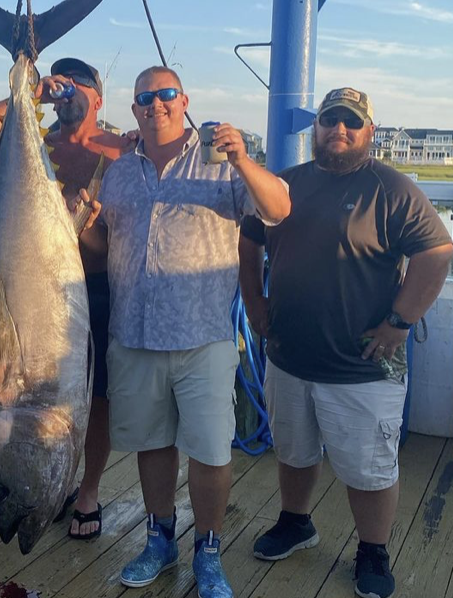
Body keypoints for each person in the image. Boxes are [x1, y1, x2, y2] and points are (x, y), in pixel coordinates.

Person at [80, 65, 290, 598]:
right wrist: (83, 231)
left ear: (185, 99)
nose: (157, 104)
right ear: (134, 110)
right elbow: (107, 248)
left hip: (203, 336)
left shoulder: (221, 160)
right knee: (152, 446)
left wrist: (243, 158)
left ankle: (209, 550)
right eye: (146, 98)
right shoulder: (118, 170)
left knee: (212, 452)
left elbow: (279, 208)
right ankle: (160, 538)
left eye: (167, 94)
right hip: (133, 333)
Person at [237, 87, 453, 598]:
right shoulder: (284, 184)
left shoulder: (392, 188)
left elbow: (438, 254)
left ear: (369, 132)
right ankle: (296, 522)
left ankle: (373, 550)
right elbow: (250, 241)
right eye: (330, 120)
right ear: (316, 128)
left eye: (351, 123)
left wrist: (400, 323)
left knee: (370, 468)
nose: (339, 130)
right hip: (289, 355)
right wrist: (254, 304)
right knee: (293, 450)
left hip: (361, 365)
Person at [0, 58, 134, 536]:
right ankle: (42, 480)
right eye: (63, 82)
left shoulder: (122, 150)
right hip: (33, 296)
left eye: (80, 83)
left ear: (99, 97)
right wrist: (25, 93)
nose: (69, 90)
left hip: (97, 288)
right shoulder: (34, 141)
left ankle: (88, 489)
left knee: (92, 398)